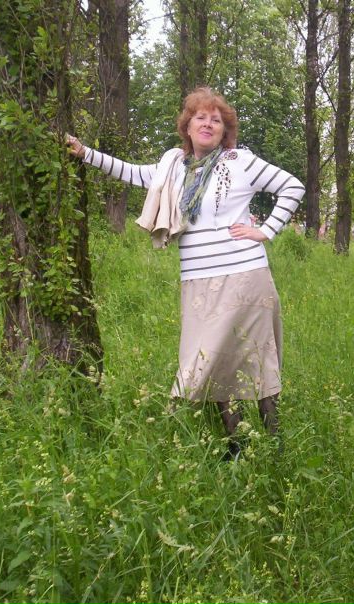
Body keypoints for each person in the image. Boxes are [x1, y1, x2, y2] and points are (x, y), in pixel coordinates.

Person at [66, 87, 305, 461]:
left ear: (224, 130)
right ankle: (237, 443)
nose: (208, 124)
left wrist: (266, 230)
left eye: (216, 120)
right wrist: (85, 153)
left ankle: (275, 442)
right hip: (197, 282)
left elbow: (292, 187)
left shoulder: (239, 161)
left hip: (244, 276)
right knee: (212, 359)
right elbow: (131, 172)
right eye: (200, 117)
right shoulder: (173, 167)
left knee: (256, 358)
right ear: (188, 126)